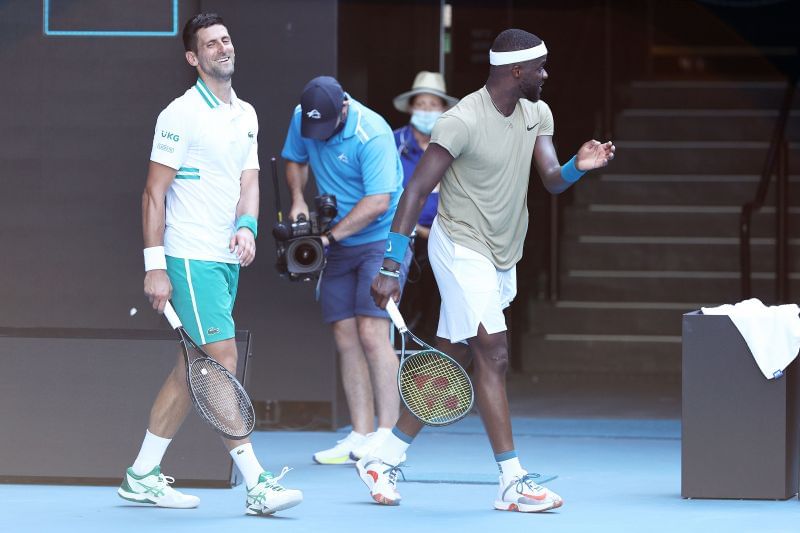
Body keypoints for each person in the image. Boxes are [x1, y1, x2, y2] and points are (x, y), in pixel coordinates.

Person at [366, 28, 615, 512]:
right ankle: (511, 480)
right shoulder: (460, 121)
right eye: (539, 67)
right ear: (516, 71)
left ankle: (384, 456)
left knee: (452, 357)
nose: (546, 75)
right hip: (459, 245)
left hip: (503, 252)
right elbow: (414, 193)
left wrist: (577, 166)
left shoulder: (537, 113)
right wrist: (392, 264)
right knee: (494, 352)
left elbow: (551, 179)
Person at [119, 13, 302, 516]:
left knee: (190, 367)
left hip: (224, 260)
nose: (223, 47)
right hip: (189, 256)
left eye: (226, 40)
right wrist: (155, 267)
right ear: (193, 58)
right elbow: (153, 194)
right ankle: (257, 482)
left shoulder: (246, 114)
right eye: (210, 44)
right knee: (220, 358)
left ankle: (142, 475)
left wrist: (247, 225)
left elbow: (249, 181)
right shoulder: (179, 115)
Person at [281, 76, 411, 465]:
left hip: (380, 237)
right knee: (344, 332)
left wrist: (328, 239)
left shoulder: (372, 133)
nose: (317, 134)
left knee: (373, 331)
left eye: (326, 127)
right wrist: (298, 199)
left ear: (344, 108)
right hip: (334, 238)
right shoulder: (304, 117)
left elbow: (378, 201)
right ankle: (360, 433)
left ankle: (387, 437)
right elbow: (294, 158)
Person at [392, 71, 458, 340]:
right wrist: (419, 230)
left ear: (443, 109)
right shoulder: (394, 144)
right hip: (404, 236)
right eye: (421, 104)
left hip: (449, 239)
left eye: (433, 105)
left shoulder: (455, 144)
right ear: (411, 107)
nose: (427, 111)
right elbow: (389, 193)